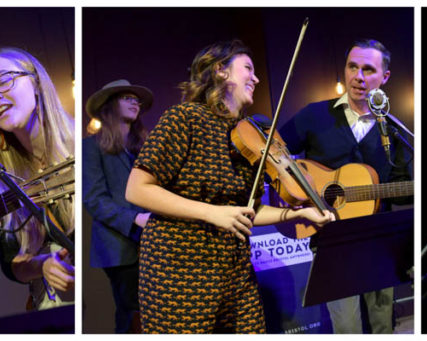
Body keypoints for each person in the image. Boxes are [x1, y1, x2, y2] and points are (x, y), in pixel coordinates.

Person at [125, 39, 336, 334]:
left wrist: (298, 215)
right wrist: (212, 212)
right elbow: (137, 189)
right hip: (178, 269)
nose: (256, 78)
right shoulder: (184, 118)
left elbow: (249, 210)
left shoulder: (248, 135)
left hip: (234, 267)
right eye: (247, 68)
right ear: (221, 71)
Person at [278, 39, 412, 334]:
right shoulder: (315, 115)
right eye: (353, 67)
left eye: (368, 69)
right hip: (332, 240)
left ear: (384, 77)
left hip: (379, 242)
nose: (358, 77)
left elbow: (403, 190)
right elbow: (274, 151)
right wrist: (292, 187)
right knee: (347, 328)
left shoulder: (392, 128)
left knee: (382, 326)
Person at [0, 47, 76, 311]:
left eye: (4, 79)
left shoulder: (83, 150)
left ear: (37, 82)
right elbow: (11, 264)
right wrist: (44, 265)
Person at [82, 79, 153, 333]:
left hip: (151, 241)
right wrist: (135, 219)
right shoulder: (90, 147)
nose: (135, 102)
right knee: (132, 314)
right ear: (109, 105)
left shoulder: (141, 147)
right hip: (119, 247)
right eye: (127, 98)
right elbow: (94, 199)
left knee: (155, 312)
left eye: (137, 99)